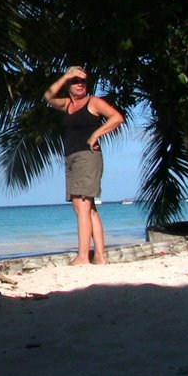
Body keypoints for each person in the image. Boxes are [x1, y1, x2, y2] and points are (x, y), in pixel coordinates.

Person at [45, 66, 125, 265]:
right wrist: (67, 75)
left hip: (87, 157)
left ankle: (83, 256)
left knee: (82, 207)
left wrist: (96, 134)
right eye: (75, 81)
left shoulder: (93, 102)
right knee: (87, 209)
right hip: (71, 158)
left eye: (83, 81)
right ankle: (99, 256)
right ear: (68, 85)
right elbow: (48, 96)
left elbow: (117, 117)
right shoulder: (67, 104)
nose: (80, 84)